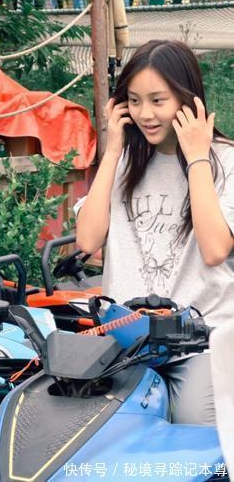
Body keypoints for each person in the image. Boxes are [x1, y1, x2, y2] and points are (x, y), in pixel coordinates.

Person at [76, 39, 234, 426]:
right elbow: (87, 240)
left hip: (201, 344)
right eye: (134, 101)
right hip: (128, 341)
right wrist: (113, 151)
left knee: (196, 433)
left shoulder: (226, 161)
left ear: (187, 99)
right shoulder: (126, 161)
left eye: (158, 100)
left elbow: (215, 249)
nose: (145, 114)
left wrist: (197, 157)